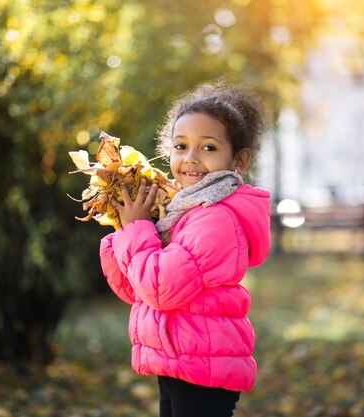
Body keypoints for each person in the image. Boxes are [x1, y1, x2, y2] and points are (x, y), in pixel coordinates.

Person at [99, 81, 271, 417]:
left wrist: (136, 229)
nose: (190, 159)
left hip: (204, 369)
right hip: (179, 360)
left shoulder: (218, 217)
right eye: (181, 146)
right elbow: (132, 289)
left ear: (240, 159)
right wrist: (125, 226)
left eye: (208, 148)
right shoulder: (181, 211)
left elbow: (160, 289)